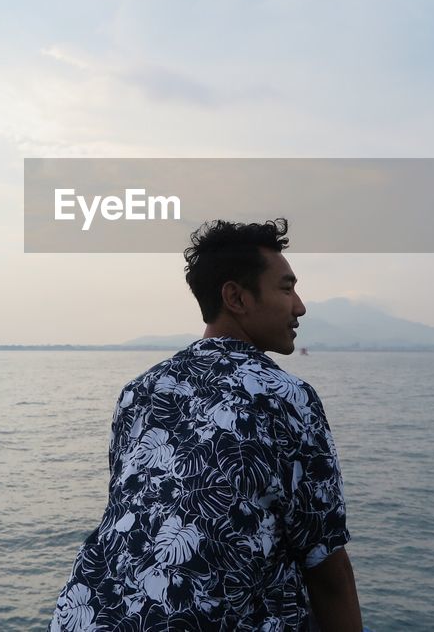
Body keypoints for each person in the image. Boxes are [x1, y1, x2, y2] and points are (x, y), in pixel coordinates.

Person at [51, 218, 362, 632]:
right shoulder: (286, 398)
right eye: (286, 288)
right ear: (235, 297)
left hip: (87, 617)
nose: (299, 305)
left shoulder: (139, 390)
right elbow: (326, 565)